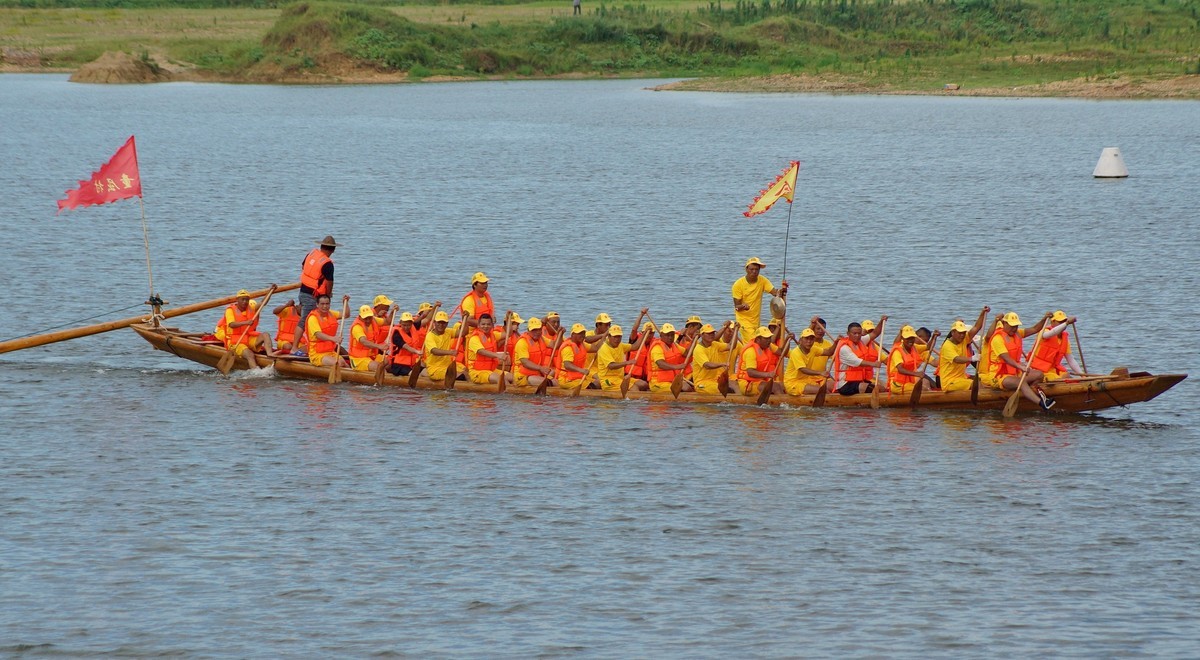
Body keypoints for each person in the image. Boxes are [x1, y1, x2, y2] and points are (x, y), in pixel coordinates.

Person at [982, 311, 1054, 409]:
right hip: (999, 375)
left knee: (1039, 374)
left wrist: (1044, 318)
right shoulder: (997, 338)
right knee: (1020, 382)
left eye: (1016, 325)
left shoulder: (1017, 333)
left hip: (1015, 372)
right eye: (1012, 326)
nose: (1014, 328)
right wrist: (1021, 366)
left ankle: (1030, 393)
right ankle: (1042, 404)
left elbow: (1035, 329)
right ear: (1004, 324)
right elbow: (1006, 358)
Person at [731, 257, 787, 343]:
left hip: (756, 320)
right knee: (753, 343)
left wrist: (782, 291)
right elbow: (737, 307)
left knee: (757, 343)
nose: (754, 272)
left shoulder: (762, 280)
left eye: (756, 269)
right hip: (744, 321)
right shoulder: (738, 284)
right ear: (746, 269)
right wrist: (743, 306)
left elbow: (775, 292)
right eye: (751, 269)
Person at [936, 306, 989, 392]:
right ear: (952, 332)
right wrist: (971, 358)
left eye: (963, 332)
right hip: (949, 382)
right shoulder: (947, 346)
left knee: (981, 381)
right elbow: (957, 359)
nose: (962, 335)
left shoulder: (964, 339)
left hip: (961, 378)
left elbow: (976, 327)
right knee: (976, 384)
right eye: (959, 333)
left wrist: (982, 313)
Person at [831, 317, 887, 395]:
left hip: (859, 380)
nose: (857, 336)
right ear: (848, 334)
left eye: (859, 333)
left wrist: (881, 321)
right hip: (845, 384)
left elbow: (875, 333)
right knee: (876, 389)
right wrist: (874, 364)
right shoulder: (844, 348)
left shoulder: (861, 341)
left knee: (883, 388)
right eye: (854, 333)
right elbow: (857, 362)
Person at [217, 289, 274, 360]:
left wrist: (270, 291)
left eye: (247, 300)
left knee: (266, 335)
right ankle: (256, 371)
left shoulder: (251, 308)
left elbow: (263, 303)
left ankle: (270, 355)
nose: (245, 302)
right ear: (237, 300)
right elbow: (231, 325)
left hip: (247, 338)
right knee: (250, 355)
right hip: (235, 341)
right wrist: (246, 322)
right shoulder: (230, 310)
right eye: (242, 299)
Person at [298, 236, 338, 336]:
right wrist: (328, 295)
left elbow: (303, 267)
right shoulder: (327, 264)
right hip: (312, 295)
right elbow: (329, 282)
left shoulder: (311, 254)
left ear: (321, 246)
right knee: (305, 321)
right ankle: (294, 347)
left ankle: (304, 343)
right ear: (333, 250)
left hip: (302, 290)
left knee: (307, 318)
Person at [1030, 310, 1084, 382]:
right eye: (1060, 322)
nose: (1062, 324)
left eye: (1064, 321)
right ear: (1052, 322)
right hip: (1039, 370)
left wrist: (1082, 375)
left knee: (1067, 375)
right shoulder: (1044, 332)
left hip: (1053, 370)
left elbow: (1071, 360)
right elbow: (1052, 333)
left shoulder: (1064, 339)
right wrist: (1066, 323)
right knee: (1062, 380)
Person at [595, 324, 649, 392]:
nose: (617, 339)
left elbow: (635, 346)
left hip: (619, 378)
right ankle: (631, 400)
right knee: (634, 389)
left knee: (644, 384)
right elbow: (611, 366)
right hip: (608, 380)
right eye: (614, 337)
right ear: (609, 336)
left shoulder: (620, 345)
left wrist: (644, 333)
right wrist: (627, 362)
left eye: (619, 337)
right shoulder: (604, 349)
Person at [736, 327, 784, 396]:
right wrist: (768, 374)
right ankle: (783, 405)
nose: (769, 341)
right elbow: (750, 372)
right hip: (747, 383)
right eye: (766, 338)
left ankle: (781, 402)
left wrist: (787, 339)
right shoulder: (751, 351)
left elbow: (781, 352)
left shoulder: (768, 346)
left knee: (781, 385)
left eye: (770, 338)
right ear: (758, 339)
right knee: (776, 387)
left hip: (759, 381)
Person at [466, 313, 512, 385]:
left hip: (492, 370)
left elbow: (508, 334)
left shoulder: (493, 335)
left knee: (513, 378)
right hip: (477, 372)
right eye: (483, 324)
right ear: (478, 325)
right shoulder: (474, 338)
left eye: (488, 324)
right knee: (500, 379)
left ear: (492, 325)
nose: (486, 326)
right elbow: (481, 351)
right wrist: (498, 355)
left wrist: (508, 319)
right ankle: (507, 395)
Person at [305, 294, 349, 368]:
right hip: (317, 354)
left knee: (345, 365)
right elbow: (318, 334)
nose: (325, 306)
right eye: (322, 304)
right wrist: (333, 339)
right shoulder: (313, 318)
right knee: (338, 363)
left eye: (327, 304)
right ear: (317, 305)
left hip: (330, 352)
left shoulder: (331, 313)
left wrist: (345, 303)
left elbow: (346, 314)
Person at [689, 322, 732, 394]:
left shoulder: (715, 344)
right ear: (702, 335)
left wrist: (735, 331)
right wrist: (721, 364)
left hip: (714, 380)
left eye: (712, 333)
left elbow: (731, 346)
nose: (711, 335)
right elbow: (707, 365)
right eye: (708, 333)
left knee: (734, 385)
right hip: (701, 383)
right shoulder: (698, 349)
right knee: (722, 389)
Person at [783, 328, 828, 396]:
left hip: (805, 380)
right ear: (800, 340)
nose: (809, 341)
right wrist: (820, 373)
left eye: (811, 339)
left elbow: (829, 351)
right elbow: (803, 370)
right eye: (806, 339)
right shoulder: (795, 352)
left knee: (826, 390)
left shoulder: (813, 349)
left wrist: (836, 342)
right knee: (821, 391)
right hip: (792, 383)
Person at [647, 322, 690, 393]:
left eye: (672, 335)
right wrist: (677, 367)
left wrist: (694, 339)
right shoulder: (657, 347)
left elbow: (687, 353)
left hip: (671, 380)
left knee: (687, 386)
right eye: (667, 335)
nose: (670, 337)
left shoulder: (674, 345)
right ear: (661, 335)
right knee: (685, 388)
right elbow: (660, 364)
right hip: (658, 383)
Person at [514, 317, 553, 389]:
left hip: (537, 373)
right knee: (549, 383)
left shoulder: (542, 339)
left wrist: (560, 333)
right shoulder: (522, 342)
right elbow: (525, 363)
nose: (537, 332)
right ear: (528, 330)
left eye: (539, 330)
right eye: (534, 330)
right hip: (522, 376)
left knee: (556, 382)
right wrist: (541, 368)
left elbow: (555, 345)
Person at [419, 310, 457, 382]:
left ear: (447, 324)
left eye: (443, 323)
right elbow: (434, 351)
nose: (441, 325)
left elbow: (464, 332)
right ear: (434, 323)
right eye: (439, 322)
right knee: (460, 376)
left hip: (447, 366)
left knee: (465, 373)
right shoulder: (430, 336)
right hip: (435, 368)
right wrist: (450, 352)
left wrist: (466, 318)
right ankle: (425, 372)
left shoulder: (448, 332)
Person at [348, 305, 388, 373]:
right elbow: (363, 341)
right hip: (358, 359)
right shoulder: (357, 327)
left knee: (388, 362)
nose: (368, 320)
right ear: (360, 317)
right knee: (379, 367)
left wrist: (393, 312)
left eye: (369, 318)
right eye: (365, 318)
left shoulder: (373, 320)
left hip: (372, 356)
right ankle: (387, 380)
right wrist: (379, 346)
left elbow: (387, 322)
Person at [887, 326, 924, 394]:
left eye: (912, 338)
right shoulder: (897, 352)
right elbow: (900, 370)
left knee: (924, 385)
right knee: (922, 389)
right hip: (897, 384)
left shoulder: (914, 347)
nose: (910, 340)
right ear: (902, 338)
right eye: (907, 338)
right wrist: (917, 374)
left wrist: (934, 337)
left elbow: (928, 347)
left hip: (908, 383)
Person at [556, 323, 592, 389]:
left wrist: (604, 336)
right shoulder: (568, 348)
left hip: (577, 377)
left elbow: (595, 348)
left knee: (597, 383)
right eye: (579, 334)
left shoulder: (581, 344)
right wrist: (581, 370)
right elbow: (567, 365)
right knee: (592, 386)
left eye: (583, 333)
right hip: (566, 380)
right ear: (572, 335)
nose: (582, 336)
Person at [387, 312, 424, 377]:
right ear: (400, 323)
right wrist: (417, 351)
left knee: (424, 367)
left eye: (408, 325)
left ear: (411, 324)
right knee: (414, 374)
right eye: (404, 325)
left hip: (411, 363)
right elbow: (406, 347)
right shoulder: (396, 334)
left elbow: (427, 319)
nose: (406, 327)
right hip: (399, 365)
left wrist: (434, 307)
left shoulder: (413, 327)